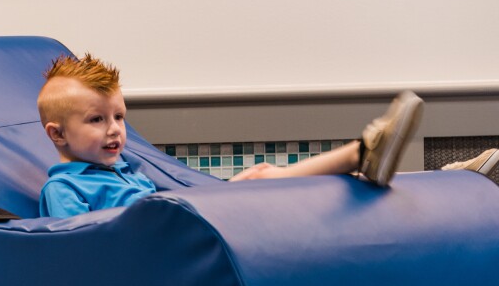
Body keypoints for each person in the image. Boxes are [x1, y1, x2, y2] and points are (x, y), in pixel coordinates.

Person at [37, 53, 426, 219]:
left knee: (260, 175)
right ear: (58, 134)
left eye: (119, 116)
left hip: (180, 219)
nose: (114, 129)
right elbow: (76, 248)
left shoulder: (122, 168)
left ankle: (410, 172)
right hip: (168, 232)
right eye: (96, 120)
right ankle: (363, 151)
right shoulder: (65, 189)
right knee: (258, 180)